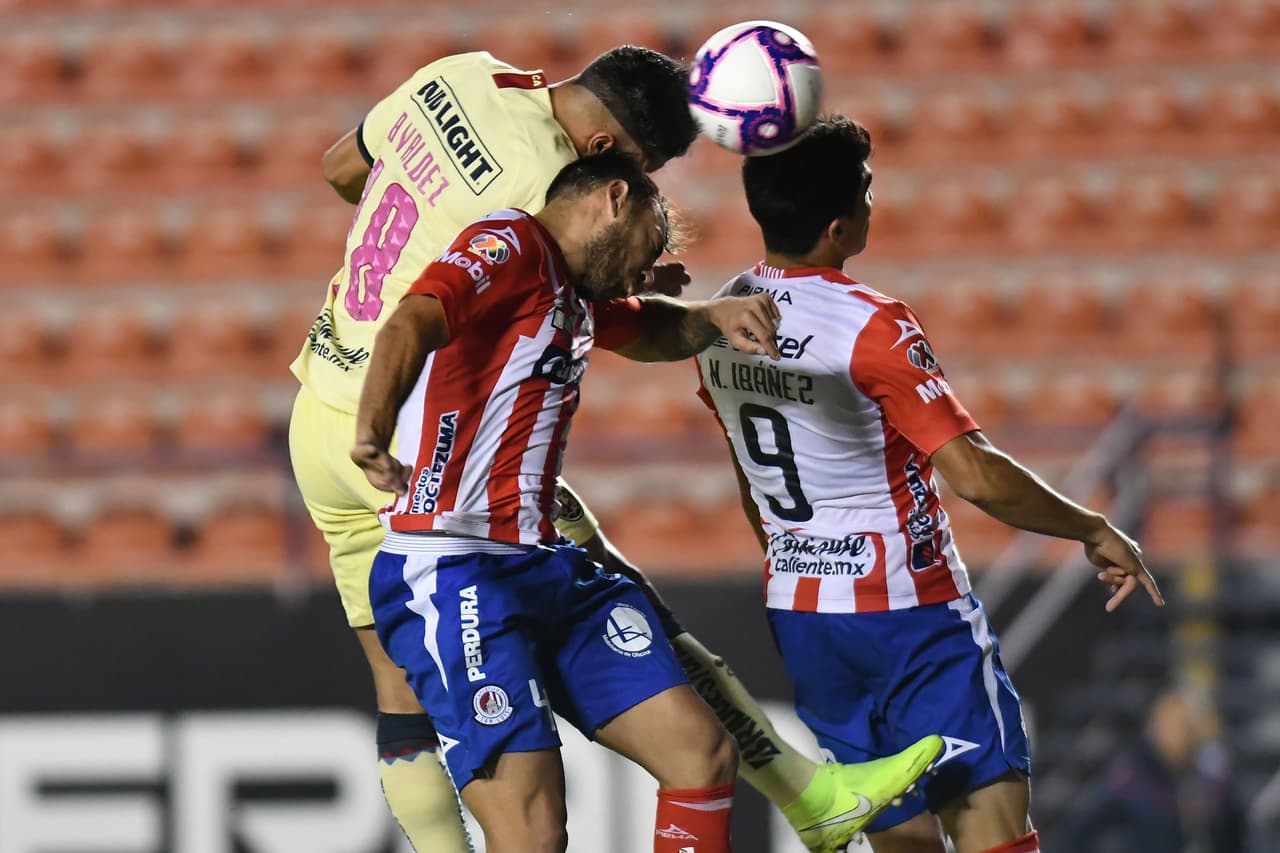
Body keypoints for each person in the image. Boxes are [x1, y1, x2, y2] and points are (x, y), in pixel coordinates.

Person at [290, 44, 938, 853]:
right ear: (610, 167)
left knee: (404, 688)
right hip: (414, 441)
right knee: (615, 599)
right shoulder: (532, 200)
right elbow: (598, 316)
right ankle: (804, 790)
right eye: (650, 174)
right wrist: (684, 309)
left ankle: (801, 789)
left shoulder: (464, 75)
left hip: (318, 399)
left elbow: (343, 168)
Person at [692, 115, 1167, 853]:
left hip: (805, 616)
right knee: (996, 832)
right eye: (868, 189)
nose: (875, 200)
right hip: (910, 617)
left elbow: (748, 476)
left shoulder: (720, 319)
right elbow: (975, 474)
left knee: (898, 838)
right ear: (839, 225)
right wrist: (1092, 527)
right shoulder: (873, 325)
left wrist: (802, 557)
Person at [352, 152, 779, 853]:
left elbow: (651, 327)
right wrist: (373, 429)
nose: (650, 265)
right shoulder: (512, 244)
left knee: (700, 756)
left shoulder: (567, 292)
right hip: (454, 564)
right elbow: (413, 321)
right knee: (532, 829)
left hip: (541, 563)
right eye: (652, 237)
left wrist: (714, 316)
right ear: (616, 198)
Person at [1061, 685, 1245, 853]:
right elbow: (1081, 827)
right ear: (1155, 727)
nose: (1180, 736)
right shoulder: (1131, 779)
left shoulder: (1213, 780)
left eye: (1188, 727)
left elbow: (1235, 835)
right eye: (1173, 726)